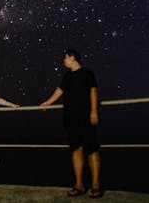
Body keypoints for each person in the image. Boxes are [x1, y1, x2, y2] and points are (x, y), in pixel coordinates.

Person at [40, 49, 102, 198]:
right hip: (70, 118)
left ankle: (95, 186)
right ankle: (79, 185)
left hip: (86, 117)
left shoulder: (87, 73)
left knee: (91, 149)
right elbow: (59, 91)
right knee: (76, 150)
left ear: (73, 58)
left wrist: (93, 111)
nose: (63, 61)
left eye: (65, 58)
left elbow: (93, 91)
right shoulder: (67, 76)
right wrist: (47, 102)